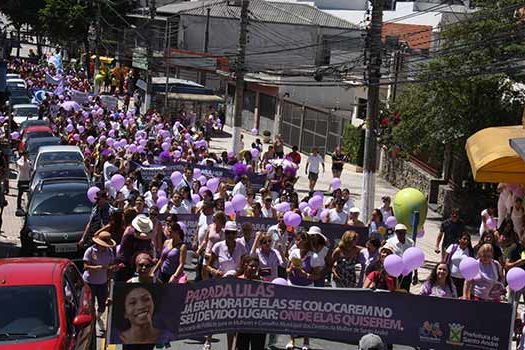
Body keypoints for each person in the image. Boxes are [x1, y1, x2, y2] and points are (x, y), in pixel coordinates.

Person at [286, 231, 319, 350]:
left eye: (299, 240)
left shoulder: (313, 256)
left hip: (307, 288)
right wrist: (291, 269)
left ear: (306, 242)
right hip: (292, 285)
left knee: (306, 315)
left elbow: (317, 276)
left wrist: (305, 274)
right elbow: (287, 270)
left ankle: (306, 341)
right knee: (291, 314)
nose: (297, 242)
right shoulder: (294, 252)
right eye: (296, 239)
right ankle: (291, 340)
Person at [82, 231, 116, 333]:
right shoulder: (90, 251)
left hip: (102, 282)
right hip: (90, 281)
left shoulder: (109, 252)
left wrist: (112, 271)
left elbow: (110, 266)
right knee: (90, 304)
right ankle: (92, 324)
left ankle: (98, 317)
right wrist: (97, 267)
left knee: (102, 305)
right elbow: (85, 266)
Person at [235, 256, 266, 350]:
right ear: (245, 265)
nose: (254, 269)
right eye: (251, 266)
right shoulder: (236, 280)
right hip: (242, 322)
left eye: (256, 266)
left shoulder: (261, 282)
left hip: (258, 323)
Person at [117, 215, 155, 281]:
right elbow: (123, 252)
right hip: (128, 265)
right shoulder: (129, 235)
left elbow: (148, 250)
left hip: (142, 265)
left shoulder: (148, 237)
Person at [444, 232, 474, 298]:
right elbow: (445, 261)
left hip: (463, 281)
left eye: (468, 240)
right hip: (451, 278)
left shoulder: (470, 252)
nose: (466, 241)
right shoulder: (453, 247)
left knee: (460, 298)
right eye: (464, 239)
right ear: (459, 240)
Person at [386, 224, 414, 291]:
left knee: (405, 290)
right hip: (394, 270)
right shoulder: (390, 242)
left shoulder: (411, 242)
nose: (401, 234)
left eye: (403, 232)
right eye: (399, 232)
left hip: (407, 271)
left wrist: (415, 273)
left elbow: (413, 257)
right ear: (395, 232)